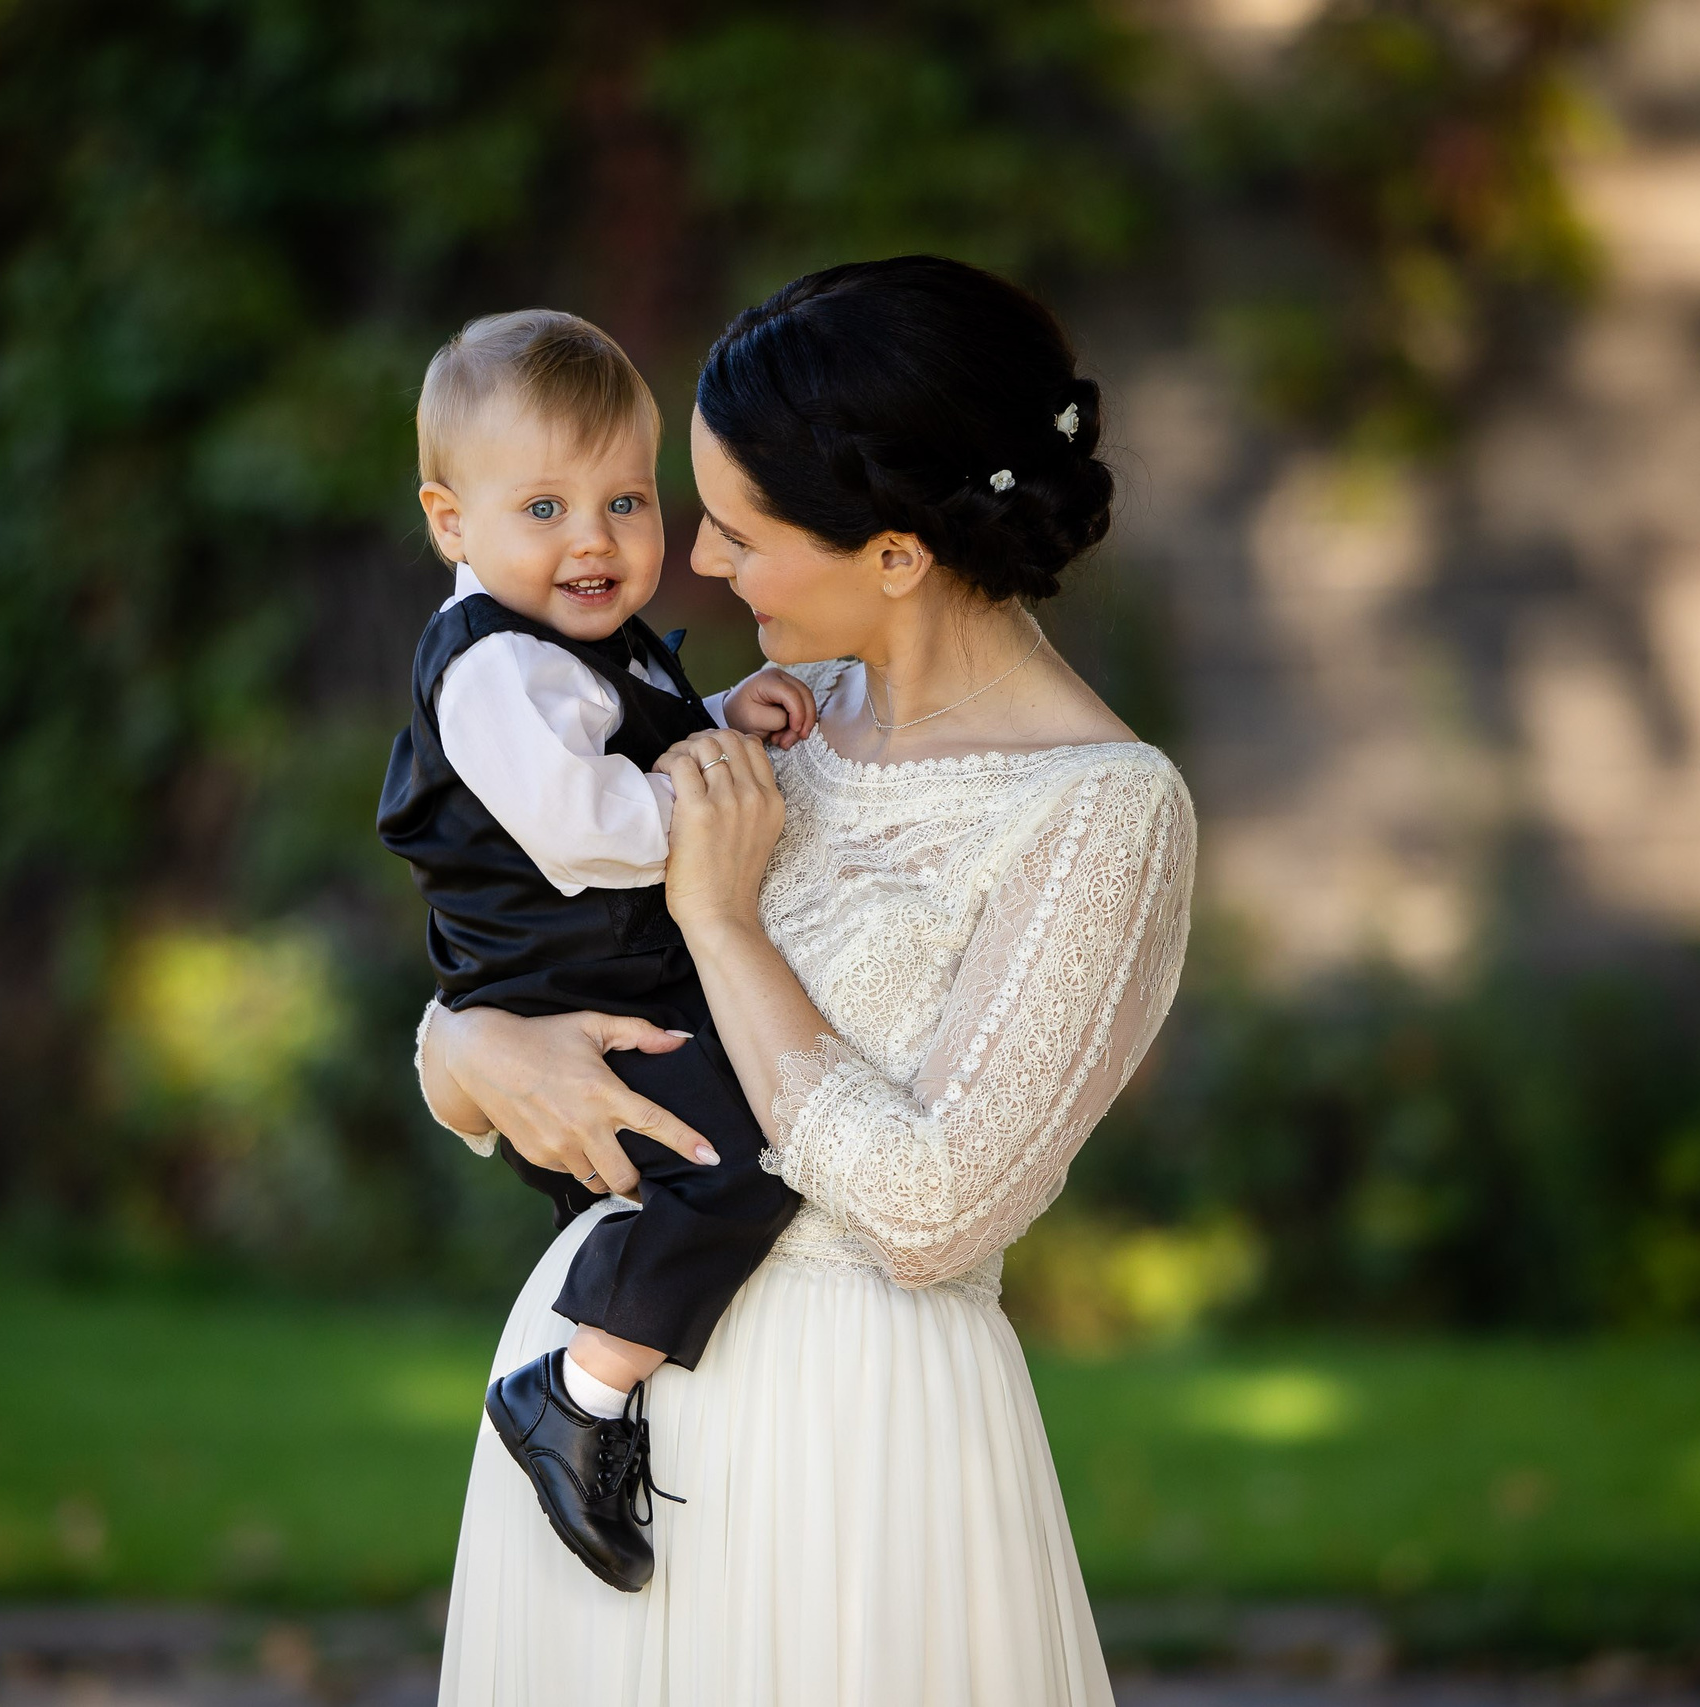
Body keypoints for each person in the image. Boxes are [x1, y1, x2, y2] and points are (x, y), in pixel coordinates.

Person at [416, 256, 1198, 1706]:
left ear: (894, 553)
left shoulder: (1100, 810)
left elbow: (935, 1207)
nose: (701, 563)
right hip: (590, 1416)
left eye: (738, 530)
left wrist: (725, 925)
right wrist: (462, 1051)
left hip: (855, 1447)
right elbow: (525, 954)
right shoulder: (774, 723)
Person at [376, 309, 819, 1592]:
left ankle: (626, 1374)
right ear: (450, 523)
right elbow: (583, 822)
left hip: (604, 973)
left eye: (625, 501)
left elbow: (621, 742)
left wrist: (722, 718)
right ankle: (573, 1395)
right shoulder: (491, 668)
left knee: (689, 1170)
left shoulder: (564, 647)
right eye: (544, 509)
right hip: (562, 991)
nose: (594, 539)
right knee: (739, 1164)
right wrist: (714, 800)